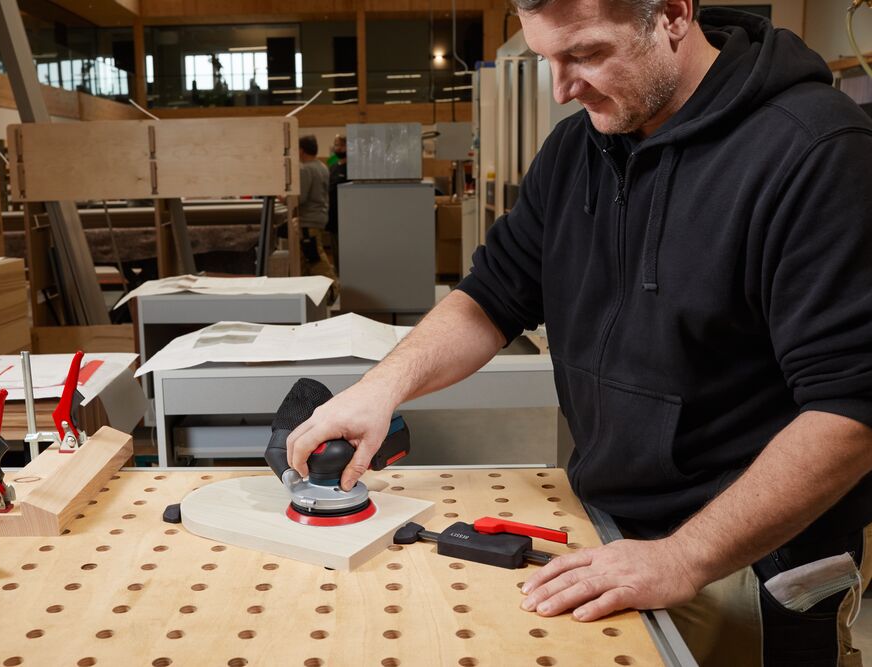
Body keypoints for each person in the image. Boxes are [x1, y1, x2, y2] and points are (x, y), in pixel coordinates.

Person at [285, 2, 872, 665]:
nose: (562, 88)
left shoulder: (815, 151)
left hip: (743, 563)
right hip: (609, 532)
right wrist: (381, 387)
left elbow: (849, 411)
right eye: (548, 60)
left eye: (586, 55)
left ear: (673, 14)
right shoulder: (578, 145)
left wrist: (683, 555)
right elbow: (491, 296)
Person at [297, 135, 338, 294]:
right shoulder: (322, 166)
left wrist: (283, 197)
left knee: (315, 256)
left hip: (308, 219)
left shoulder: (306, 169)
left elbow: (301, 197)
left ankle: (334, 288)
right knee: (306, 257)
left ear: (301, 150)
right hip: (319, 217)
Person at [326, 134, 348, 265]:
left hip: (347, 215)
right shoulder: (333, 167)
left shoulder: (353, 168)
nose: (337, 148)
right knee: (335, 248)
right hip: (333, 216)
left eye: (341, 145)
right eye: (336, 145)